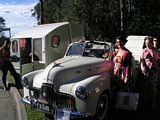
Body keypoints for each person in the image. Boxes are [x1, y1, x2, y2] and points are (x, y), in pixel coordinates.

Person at [140, 36, 159, 109]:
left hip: (154, 72)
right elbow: (141, 61)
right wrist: (143, 69)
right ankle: (144, 101)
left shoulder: (156, 51)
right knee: (145, 87)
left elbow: (157, 61)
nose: (147, 44)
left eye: (148, 43)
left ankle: (153, 102)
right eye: (146, 43)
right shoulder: (144, 50)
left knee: (153, 87)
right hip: (146, 72)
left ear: (151, 43)